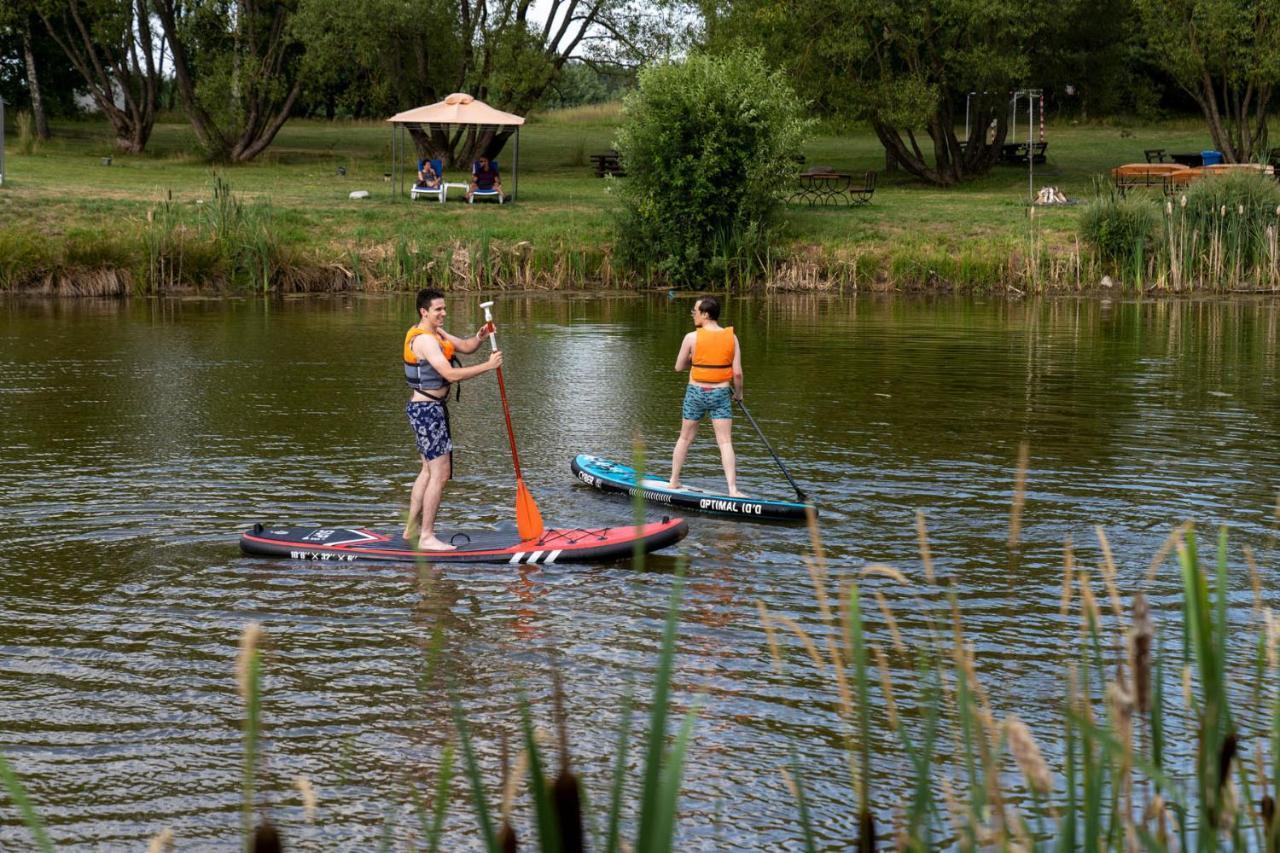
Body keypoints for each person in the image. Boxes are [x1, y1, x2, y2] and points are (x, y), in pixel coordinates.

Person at [403, 288, 502, 550]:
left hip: (427, 410)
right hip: (427, 412)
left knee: (427, 471)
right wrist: (488, 367)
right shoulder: (424, 340)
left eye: (444, 308)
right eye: (438, 309)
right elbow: (450, 373)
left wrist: (481, 336)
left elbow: (467, 347)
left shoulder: (437, 333)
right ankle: (426, 537)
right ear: (424, 312)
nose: (444, 313)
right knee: (440, 474)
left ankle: (411, 529)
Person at [668, 295, 744, 496]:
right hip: (720, 393)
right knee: (725, 442)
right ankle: (733, 489)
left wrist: (694, 361)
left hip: (695, 392)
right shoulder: (732, 338)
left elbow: (678, 367)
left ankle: (674, 481)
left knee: (685, 438)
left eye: (695, 311)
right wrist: (738, 394)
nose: (693, 314)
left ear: (706, 314)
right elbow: (737, 373)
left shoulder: (691, 338)